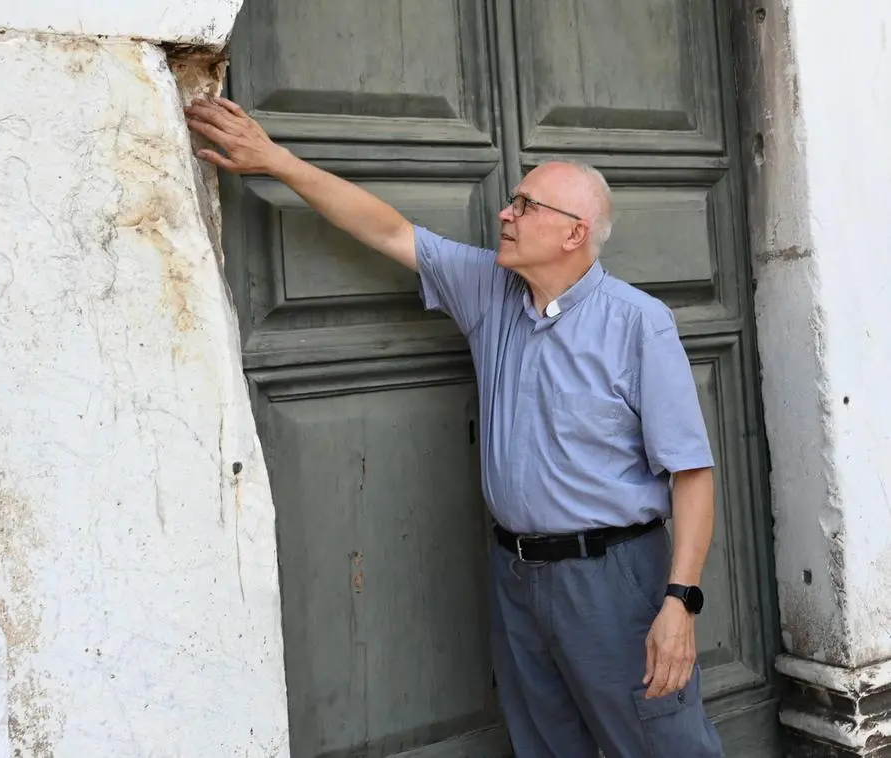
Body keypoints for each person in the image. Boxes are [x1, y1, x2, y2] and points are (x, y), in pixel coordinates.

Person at [186, 96, 725, 758]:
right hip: (517, 577)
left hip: (612, 581)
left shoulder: (638, 323)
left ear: (574, 232)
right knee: (548, 745)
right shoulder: (488, 290)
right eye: (513, 201)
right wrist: (276, 161)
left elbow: (691, 474)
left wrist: (680, 603)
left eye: (526, 205)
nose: (505, 212)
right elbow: (386, 230)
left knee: (660, 745)